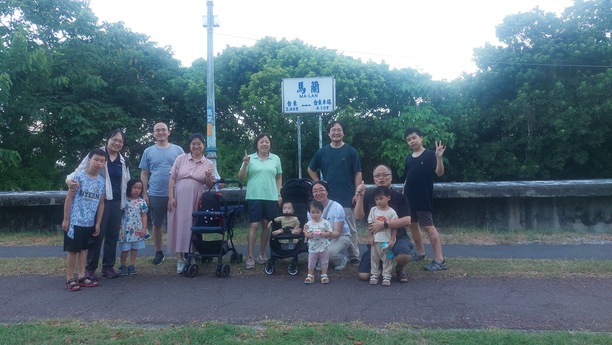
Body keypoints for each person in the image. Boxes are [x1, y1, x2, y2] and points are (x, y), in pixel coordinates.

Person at [66, 129, 130, 280]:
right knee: (96, 235)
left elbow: (126, 182)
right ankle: (90, 269)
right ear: (108, 139)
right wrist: (69, 180)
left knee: (113, 236)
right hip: (99, 202)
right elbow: (78, 171)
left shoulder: (123, 161)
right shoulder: (97, 154)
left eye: (120, 141)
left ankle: (108, 267)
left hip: (117, 202)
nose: (117, 143)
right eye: (114, 139)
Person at [307, 121, 362, 266]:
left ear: (343, 133)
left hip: (346, 194)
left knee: (350, 226)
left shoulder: (351, 151)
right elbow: (310, 169)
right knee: (327, 226)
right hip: (327, 198)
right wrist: (319, 183)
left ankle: (353, 255)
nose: (336, 132)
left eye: (339, 130)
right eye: (333, 130)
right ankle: (328, 252)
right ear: (328, 133)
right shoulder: (322, 152)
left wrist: (357, 193)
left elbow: (358, 173)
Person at [354, 164, 413, 283]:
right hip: (376, 239)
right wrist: (360, 196)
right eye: (377, 176)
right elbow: (358, 216)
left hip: (397, 238)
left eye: (385, 175)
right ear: (374, 179)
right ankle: (380, 266)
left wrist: (385, 225)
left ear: (391, 178)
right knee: (363, 276)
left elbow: (407, 220)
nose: (381, 178)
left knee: (403, 255)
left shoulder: (400, 197)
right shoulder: (369, 197)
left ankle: (399, 269)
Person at [167, 133, 215, 274]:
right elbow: (172, 179)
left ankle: (192, 256)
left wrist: (207, 177)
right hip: (179, 196)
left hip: (196, 197)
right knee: (179, 225)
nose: (196, 146)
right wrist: (171, 197)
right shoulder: (181, 159)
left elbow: (209, 184)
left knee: (193, 225)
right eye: (193, 143)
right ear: (190, 145)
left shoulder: (208, 163)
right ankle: (180, 259)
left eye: (199, 143)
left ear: (203, 145)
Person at [139, 122, 185, 265]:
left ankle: (181, 252)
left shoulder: (178, 150)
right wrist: (144, 193)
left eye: (163, 130)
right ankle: (159, 252)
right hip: (156, 192)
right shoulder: (148, 151)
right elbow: (144, 173)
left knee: (179, 223)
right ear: (153, 134)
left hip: (176, 193)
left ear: (168, 132)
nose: (161, 132)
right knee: (157, 223)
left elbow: (185, 170)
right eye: (157, 130)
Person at [403, 127, 448, 271]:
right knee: (413, 226)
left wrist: (439, 157)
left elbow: (439, 173)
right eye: (409, 139)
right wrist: (404, 194)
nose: (412, 141)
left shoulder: (430, 155)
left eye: (414, 138)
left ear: (421, 138)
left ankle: (439, 260)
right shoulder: (409, 158)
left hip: (424, 198)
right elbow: (407, 178)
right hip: (410, 198)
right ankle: (420, 253)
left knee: (428, 227)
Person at [62, 148, 106, 291]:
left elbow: (101, 203)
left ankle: (82, 276)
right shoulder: (78, 177)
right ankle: (70, 278)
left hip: (89, 222)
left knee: (84, 250)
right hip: (75, 221)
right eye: (96, 160)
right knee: (73, 250)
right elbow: (69, 198)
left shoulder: (101, 181)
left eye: (102, 161)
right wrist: (66, 219)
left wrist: (98, 223)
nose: (98, 163)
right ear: (89, 160)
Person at [237, 133, 282, 270]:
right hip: (254, 196)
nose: (264, 144)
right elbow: (240, 178)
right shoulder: (249, 158)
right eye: (261, 142)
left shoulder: (275, 159)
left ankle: (261, 254)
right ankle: (250, 256)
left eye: (267, 142)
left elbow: (279, 177)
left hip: (271, 197)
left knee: (266, 225)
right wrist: (245, 165)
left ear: (270, 144)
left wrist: (279, 193)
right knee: (254, 225)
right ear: (257, 144)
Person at [310, 180, 351, 270]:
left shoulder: (337, 207)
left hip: (340, 236)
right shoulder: (311, 208)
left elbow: (337, 233)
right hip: (321, 237)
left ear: (327, 192)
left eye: (321, 190)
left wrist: (323, 234)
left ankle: (341, 259)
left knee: (329, 253)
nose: (318, 193)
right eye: (315, 191)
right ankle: (322, 261)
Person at [366, 186, 398, 286]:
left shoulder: (392, 212)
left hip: (386, 241)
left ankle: (387, 276)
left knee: (387, 258)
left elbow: (394, 227)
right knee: (374, 258)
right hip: (376, 240)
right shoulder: (373, 210)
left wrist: (392, 239)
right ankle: (374, 274)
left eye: (381, 198)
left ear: (388, 198)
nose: (378, 201)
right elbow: (370, 224)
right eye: (376, 199)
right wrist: (370, 237)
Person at [117, 178, 148, 276]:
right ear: (129, 187)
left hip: (137, 228)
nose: (137, 190)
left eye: (139, 188)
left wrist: (144, 228)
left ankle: (131, 265)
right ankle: (122, 265)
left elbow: (144, 215)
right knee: (125, 248)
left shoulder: (141, 202)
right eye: (134, 187)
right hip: (126, 227)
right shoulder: (124, 200)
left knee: (135, 248)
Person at [303, 200, 333, 284]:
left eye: (317, 212)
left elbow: (330, 232)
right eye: (313, 212)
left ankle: (324, 275)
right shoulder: (309, 224)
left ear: (322, 212)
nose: (315, 215)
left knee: (324, 261)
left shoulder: (325, 223)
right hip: (313, 246)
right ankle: (310, 275)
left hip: (323, 246)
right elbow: (306, 234)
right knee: (311, 261)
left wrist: (324, 234)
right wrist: (310, 235)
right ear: (309, 213)